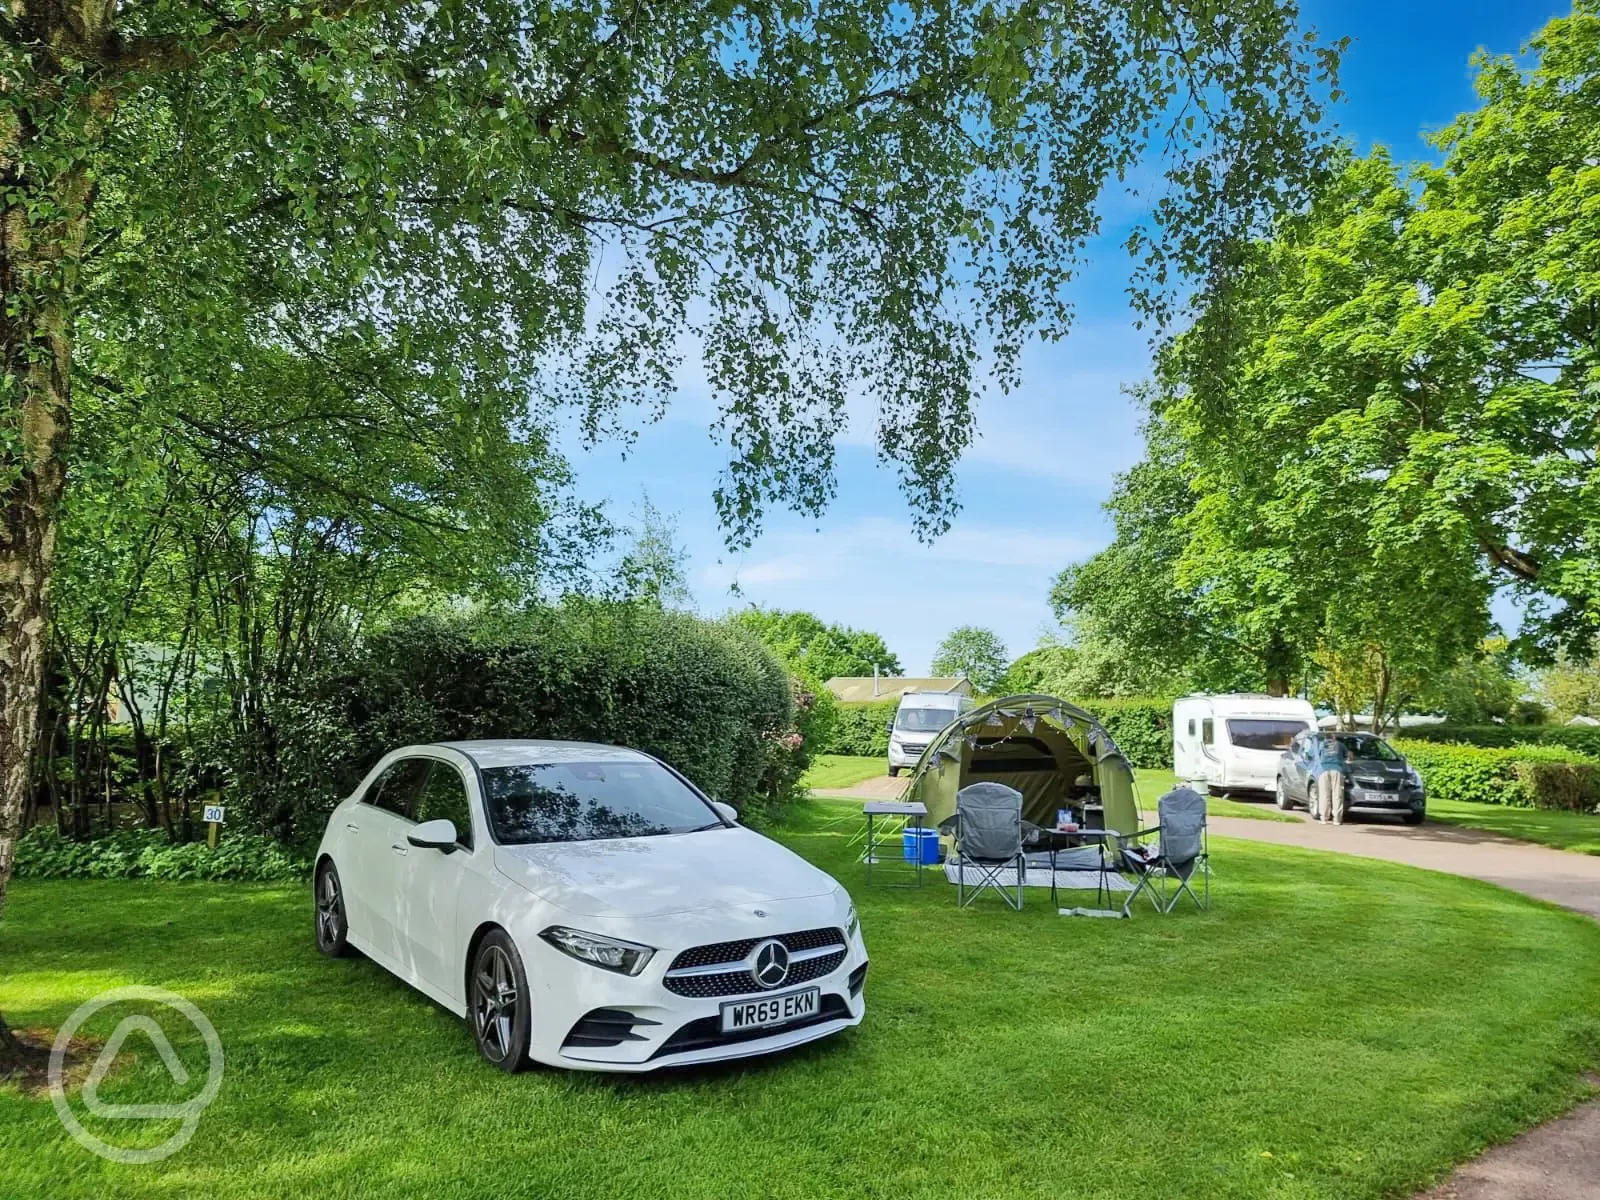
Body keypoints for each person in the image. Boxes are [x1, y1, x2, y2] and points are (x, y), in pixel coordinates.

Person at [1311, 733, 1347, 825]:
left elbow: (1312, 755)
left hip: (1323, 770)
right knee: (1337, 794)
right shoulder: (1340, 745)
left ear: (1325, 738)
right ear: (1334, 737)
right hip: (1337, 770)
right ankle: (1337, 819)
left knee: (1324, 794)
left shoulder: (1321, 744)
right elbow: (1348, 756)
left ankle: (1324, 818)